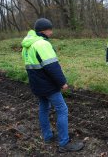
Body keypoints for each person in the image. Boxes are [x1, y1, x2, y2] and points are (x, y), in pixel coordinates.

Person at [21, 18, 84, 152]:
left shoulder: (26, 46)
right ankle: (64, 143)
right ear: (44, 30)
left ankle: (48, 136)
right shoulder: (42, 44)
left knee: (43, 108)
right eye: (50, 29)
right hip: (48, 85)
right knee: (62, 109)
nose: (51, 32)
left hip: (37, 85)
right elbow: (52, 67)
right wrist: (62, 82)